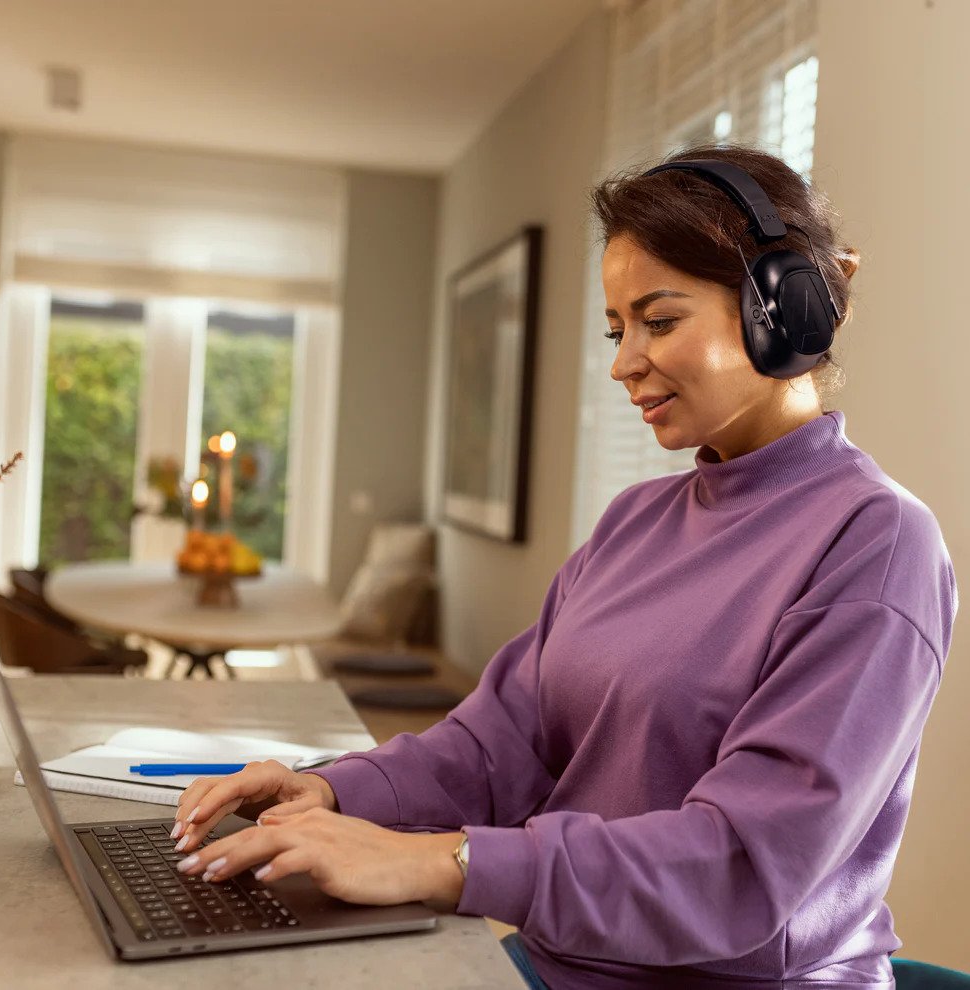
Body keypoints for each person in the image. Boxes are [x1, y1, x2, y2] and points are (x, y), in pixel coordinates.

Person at [167, 143, 959, 990]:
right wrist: (330, 794)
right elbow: (498, 743)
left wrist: (447, 864)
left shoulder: (875, 542)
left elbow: (740, 866)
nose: (624, 363)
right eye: (618, 330)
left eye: (659, 321)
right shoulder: (635, 521)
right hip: (561, 965)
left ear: (784, 310)